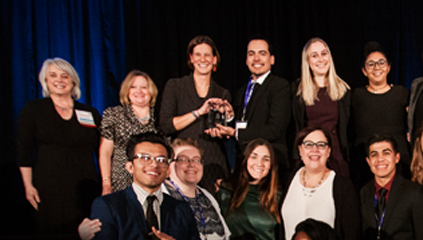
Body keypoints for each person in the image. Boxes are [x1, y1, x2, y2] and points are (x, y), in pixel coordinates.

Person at [17, 57, 101, 234]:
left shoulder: (89, 112)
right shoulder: (33, 110)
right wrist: (28, 185)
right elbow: (24, 149)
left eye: (64, 76)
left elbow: (102, 150)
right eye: (53, 75)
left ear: (73, 81)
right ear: (45, 81)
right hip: (49, 184)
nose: (59, 80)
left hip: (85, 185)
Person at [282, 127, 361, 240]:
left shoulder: (342, 186)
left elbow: (351, 236)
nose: (315, 149)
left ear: (329, 151)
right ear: (300, 150)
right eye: (309, 144)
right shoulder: (288, 179)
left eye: (321, 145)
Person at [159, 35, 234, 191]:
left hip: (213, 163)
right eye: (198, 55)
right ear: (191, 58)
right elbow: (166, 126)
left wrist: (228, 121)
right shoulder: (175, 86)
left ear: (214, 59)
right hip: (184, 161)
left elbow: (227, 136)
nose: (203, 59)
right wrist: (199, 112)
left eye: (207, 55)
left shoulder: (222, 92)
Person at [229, 36, 292, 183]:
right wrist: (229, 118)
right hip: (245, 164)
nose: (256, 58)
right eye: (251, 54)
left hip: (271, 166)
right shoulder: (242, 90)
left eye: (262, 53)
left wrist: (236, 133)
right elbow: (243, 122)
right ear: (246, 60)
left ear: (272, 59)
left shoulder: (279, 86)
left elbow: (275, 129)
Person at [349, 41, 410, 188]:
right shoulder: (356, 95)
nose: (377, 67)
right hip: (365, 162)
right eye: (371, 64)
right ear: (364, 70)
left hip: (399, 161)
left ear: (388, 67)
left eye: (381, 63)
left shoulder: (402, 93)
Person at [291, 37, 351, 177]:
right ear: (307, 61)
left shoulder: (344, 90)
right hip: (309, 155)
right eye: (314, 55)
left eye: (324, 53)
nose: (321, 59)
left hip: (335, 155)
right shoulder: (297, 90)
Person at [100, 70, 161, 194]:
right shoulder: (114, 115)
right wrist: (106, 183)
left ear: (151, 91)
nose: (139, 91)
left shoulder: (160, 117)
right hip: (122, 182)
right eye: (133, 87)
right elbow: (105, 152)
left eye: (144, 87)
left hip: (153, 180)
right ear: (127, 91)